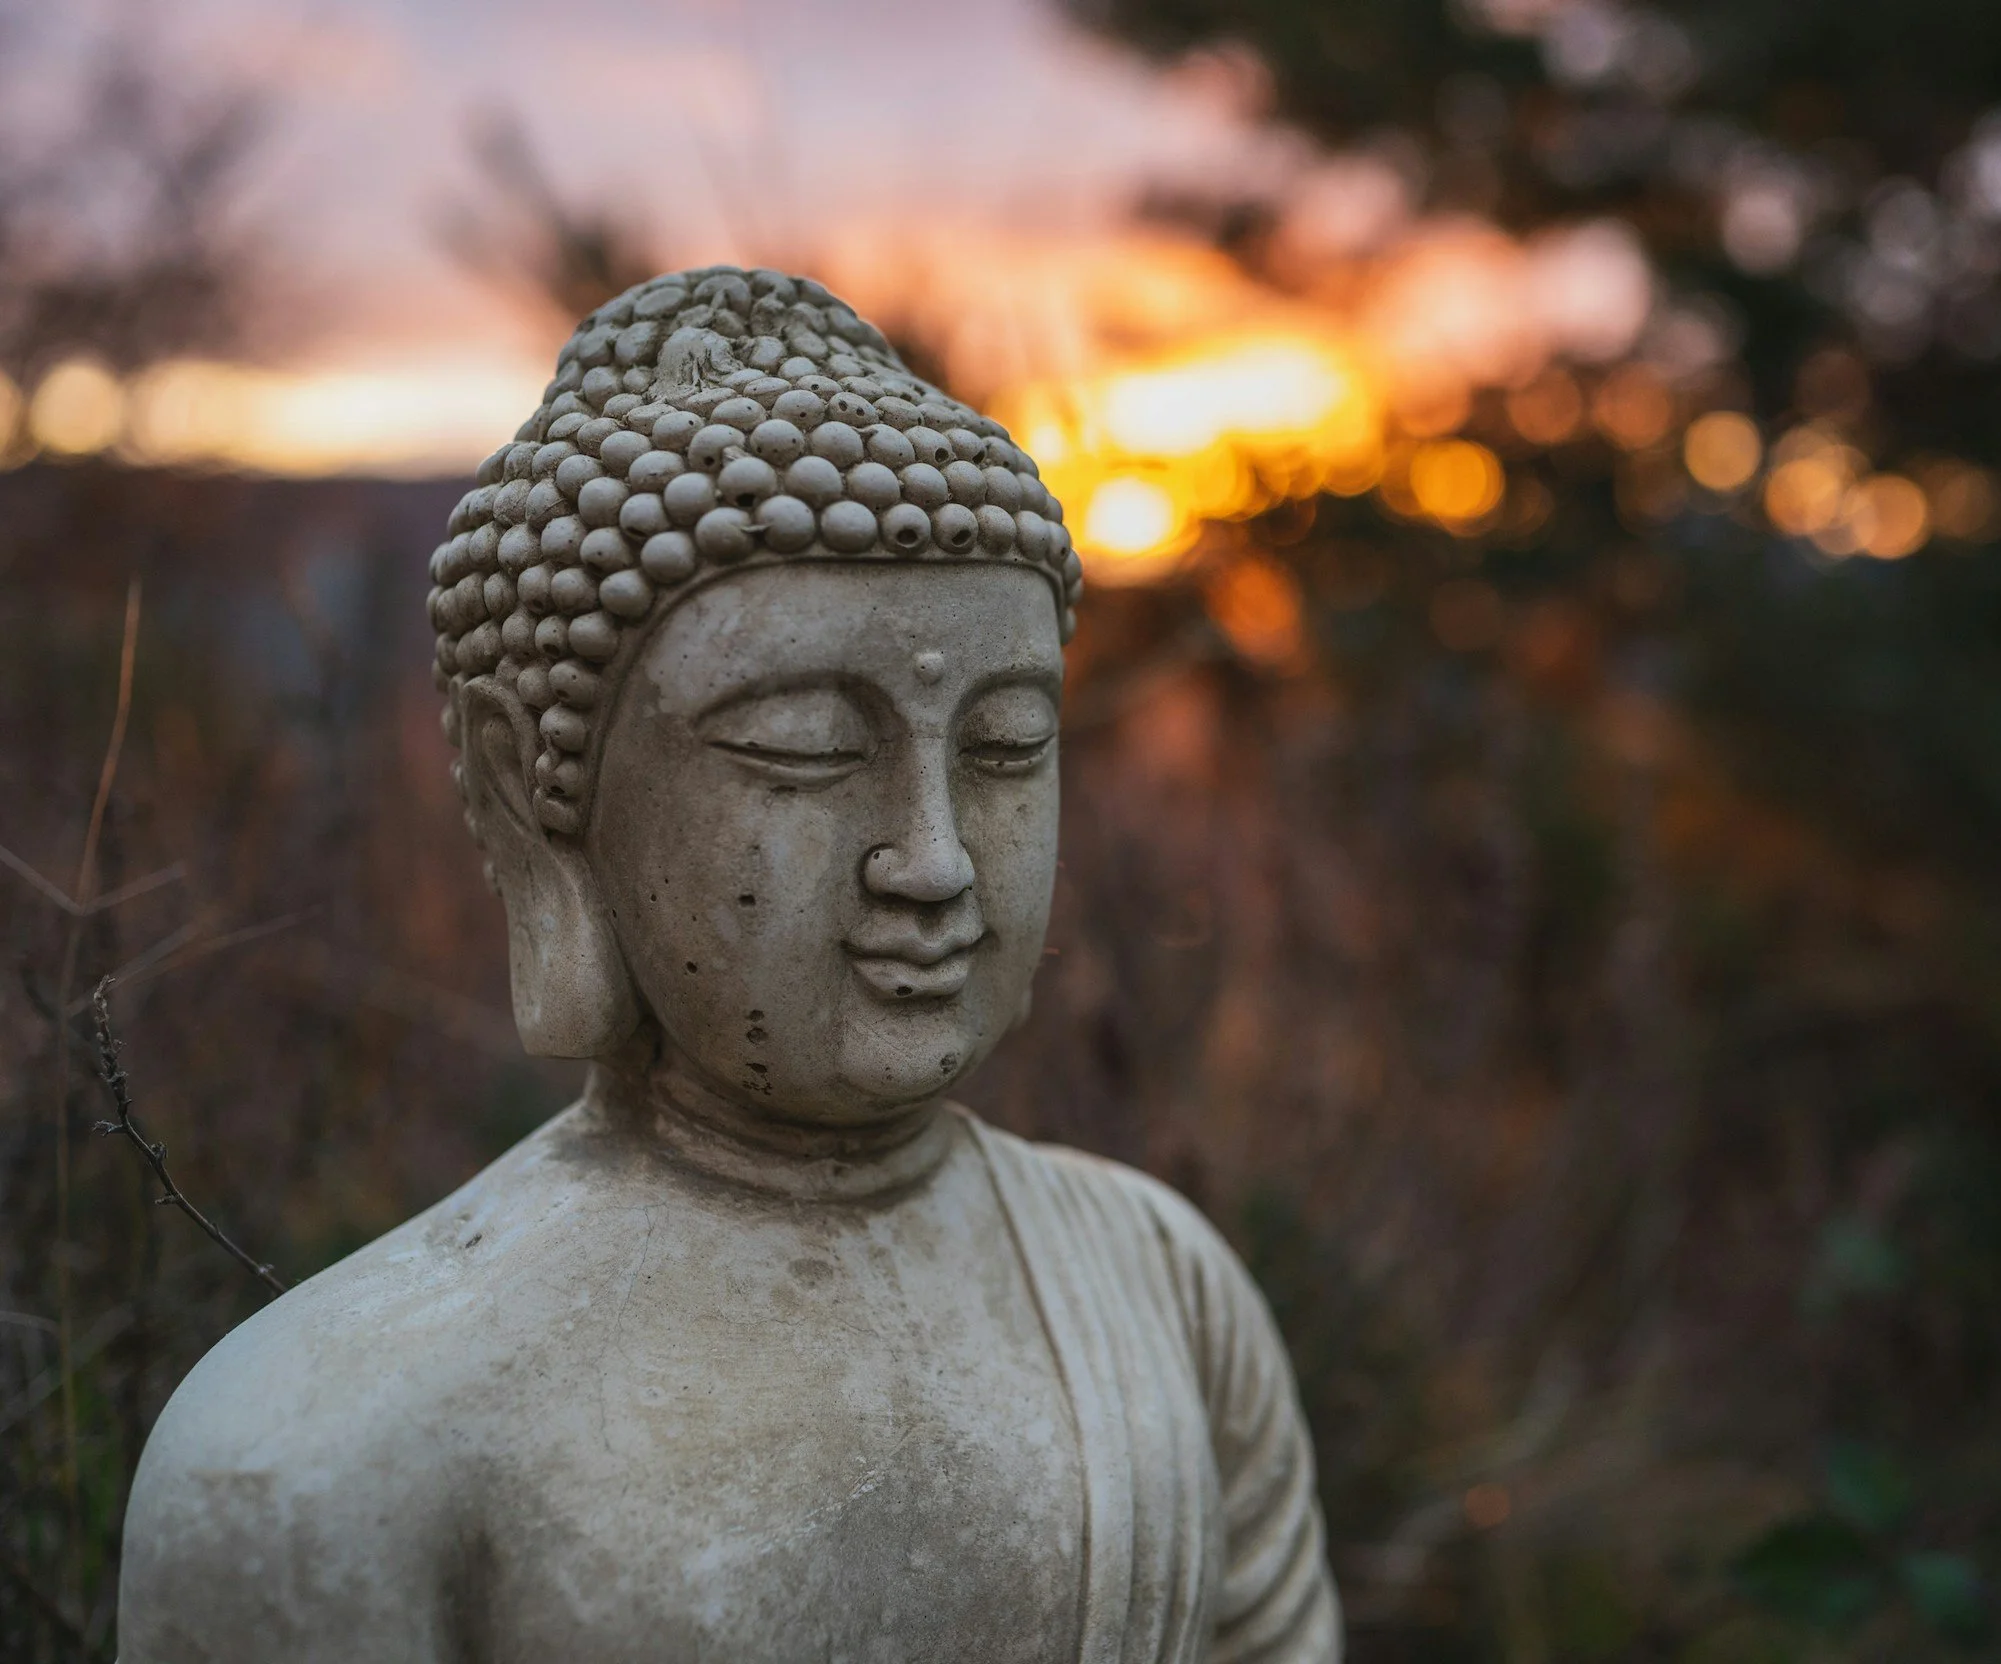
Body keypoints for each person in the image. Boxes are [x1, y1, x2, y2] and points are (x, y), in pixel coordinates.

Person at [116, 268, 1340, 1664]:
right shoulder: (317, 1452)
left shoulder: (1162, 1294)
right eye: (810, 747)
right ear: (540, 794)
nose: (933, 858)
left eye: (1005, 749)